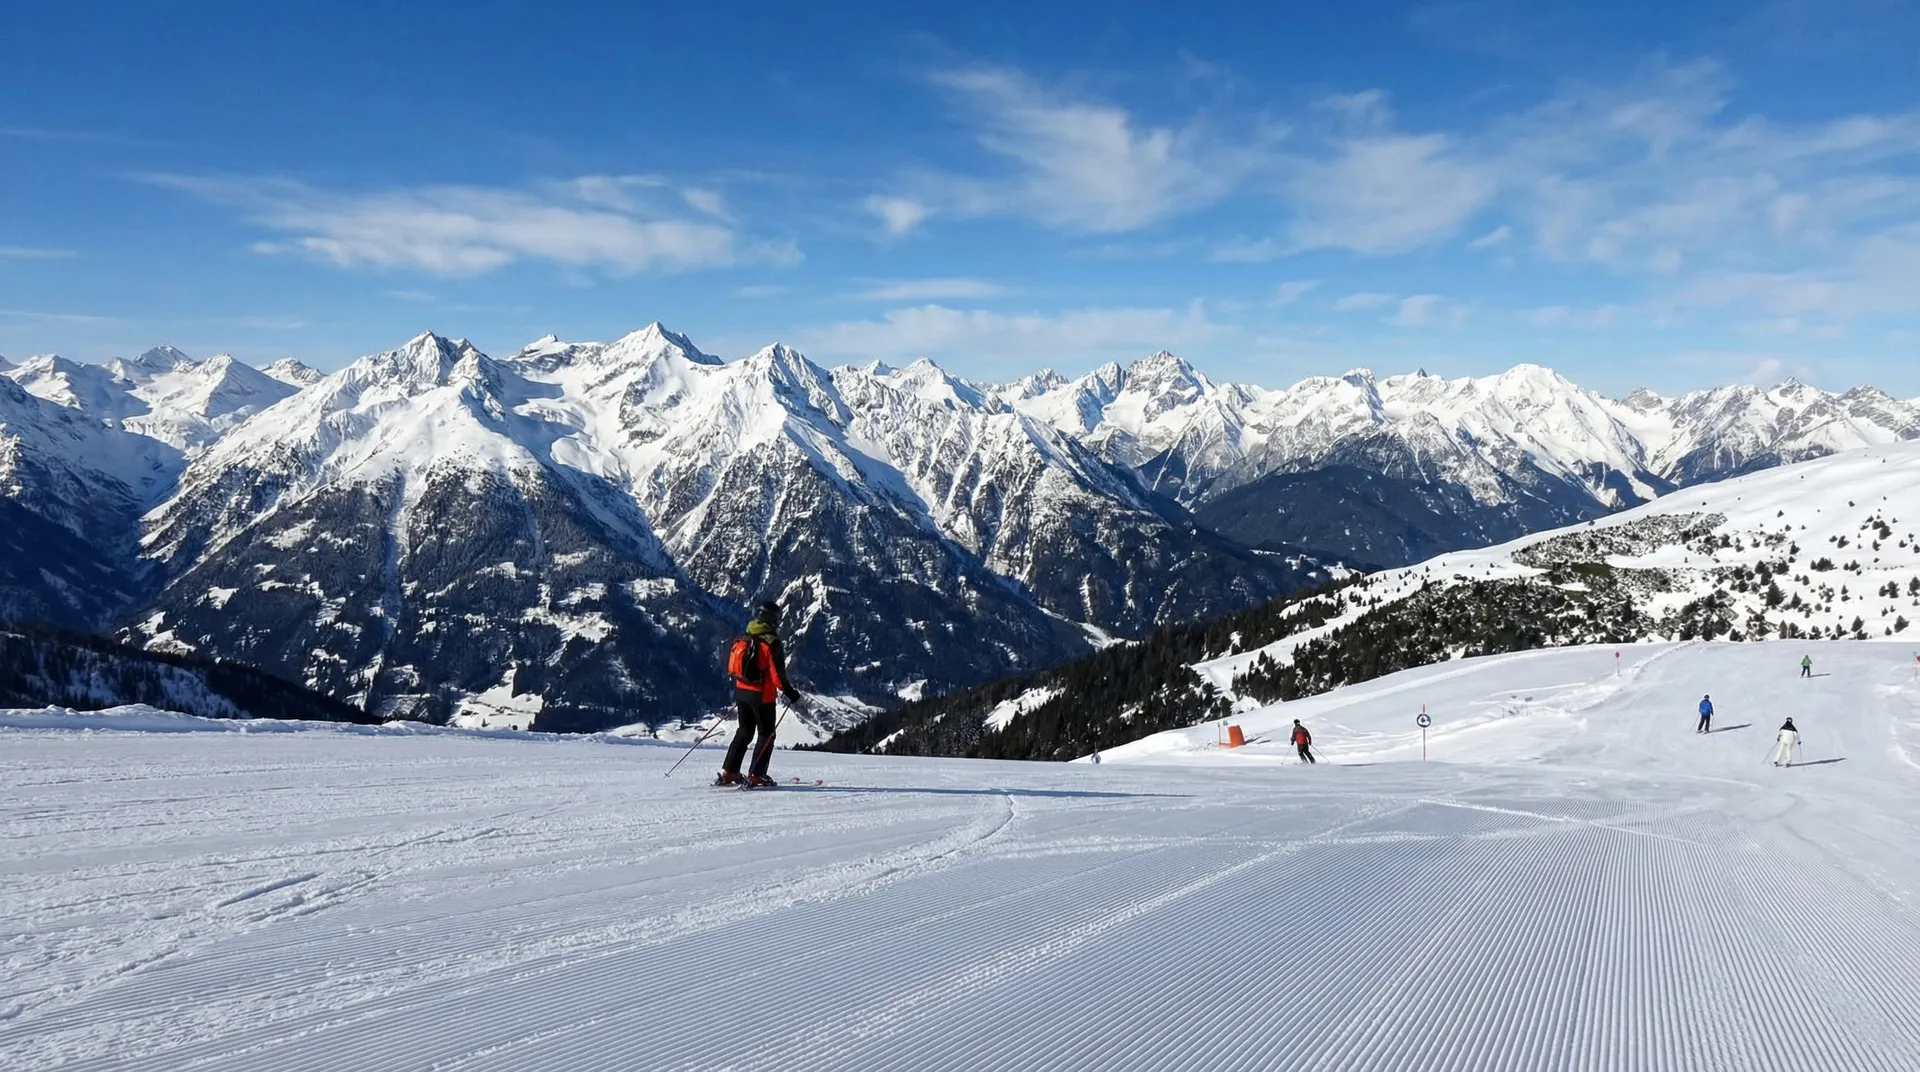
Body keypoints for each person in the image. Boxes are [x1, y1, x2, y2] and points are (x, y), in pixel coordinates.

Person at [717, 601, 803, 788]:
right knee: (766, 734)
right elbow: (777, 676)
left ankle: (730, 771)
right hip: (762, 697)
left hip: (741, 692)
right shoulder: (771, 642)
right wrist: (791, 693)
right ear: (773, 619)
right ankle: (757, 774)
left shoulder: (746, 635)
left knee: (744, 731)